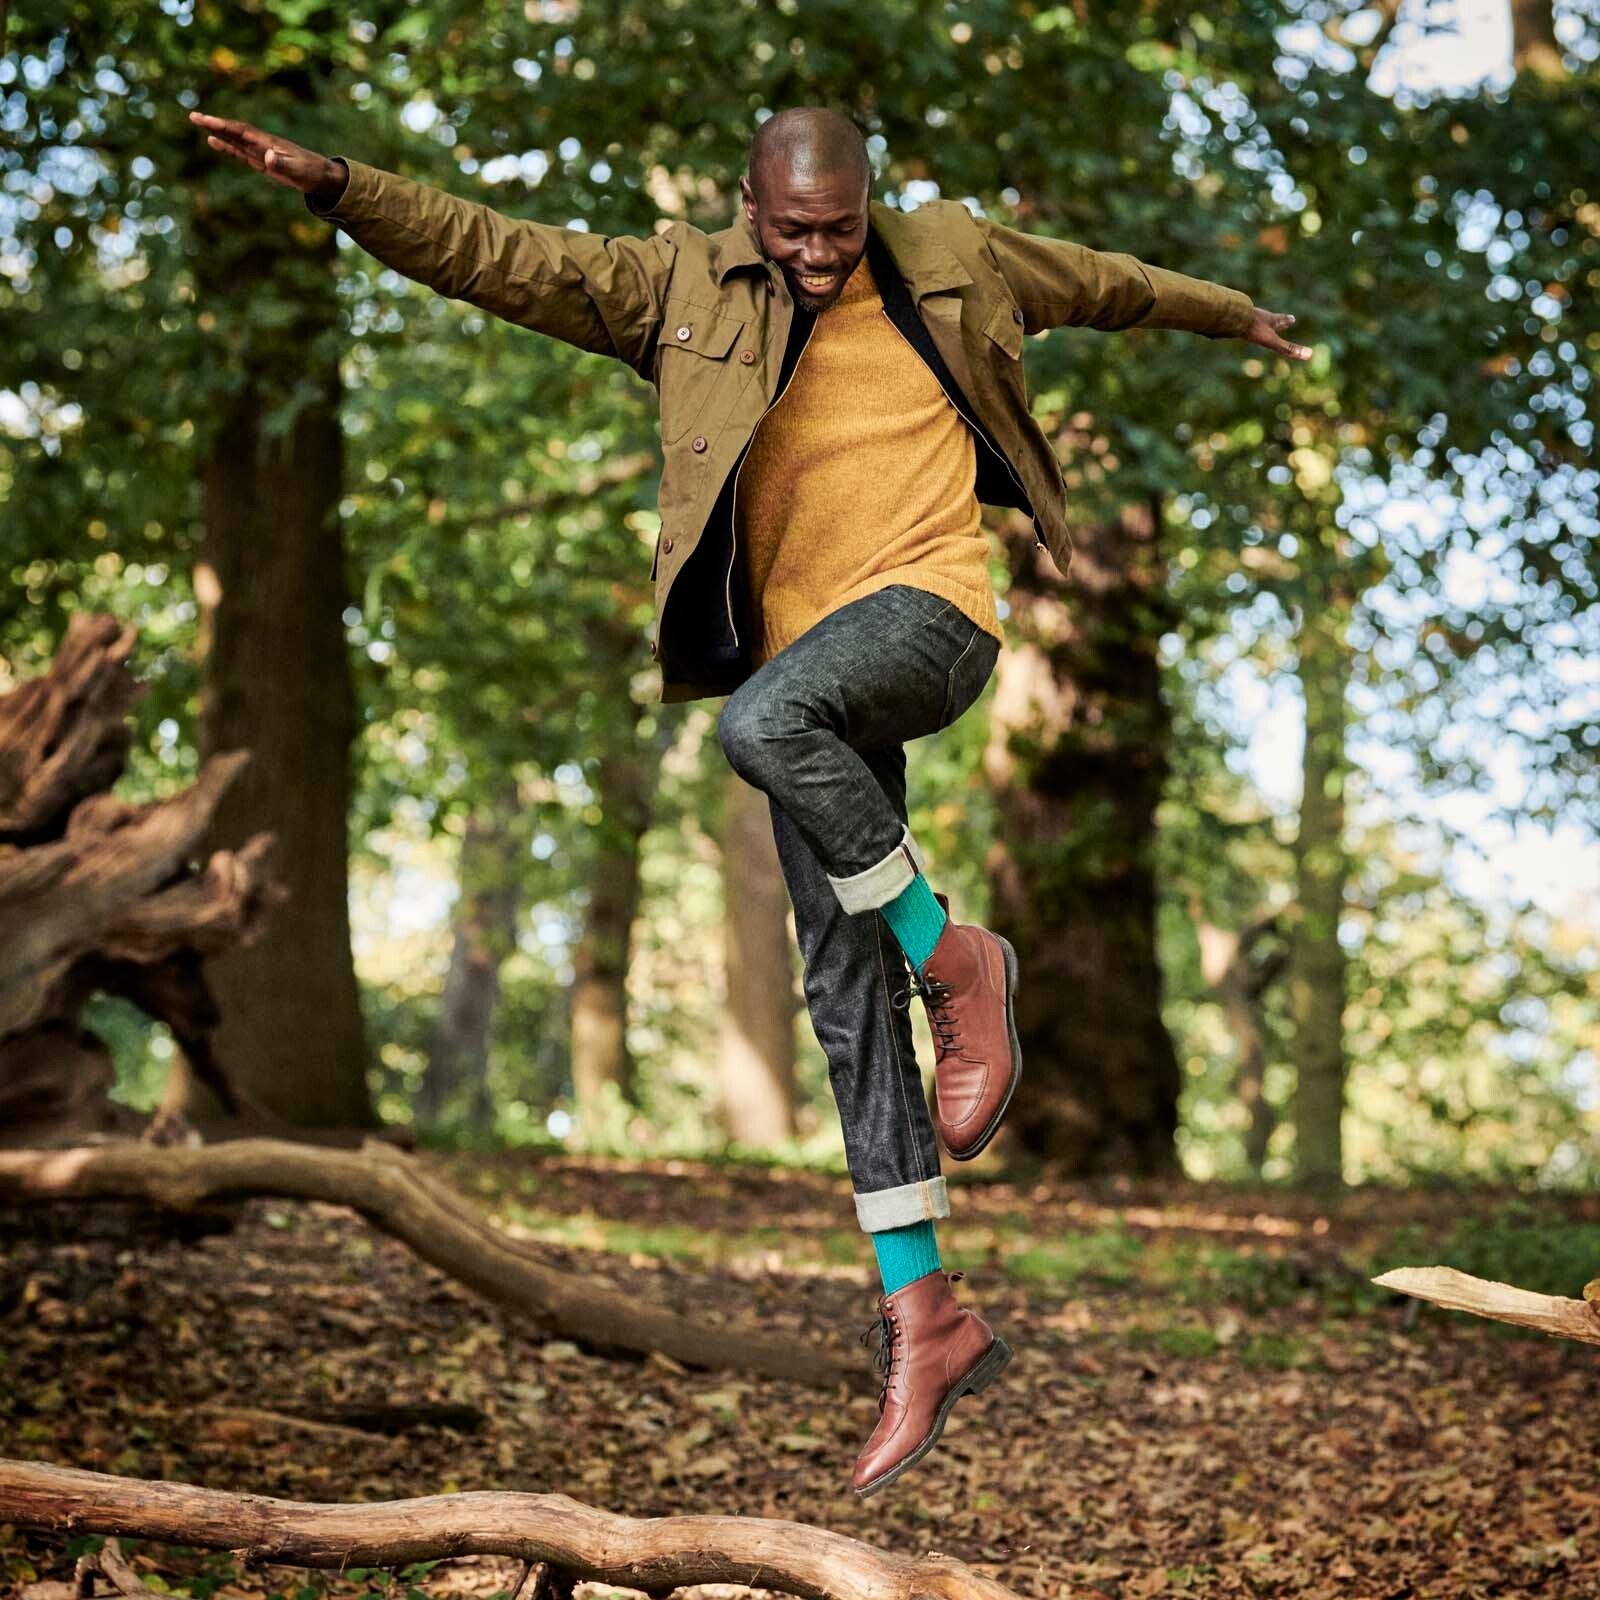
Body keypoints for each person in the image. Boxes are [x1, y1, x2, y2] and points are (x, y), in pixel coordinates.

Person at [191, 103, 1310, 1497]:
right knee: (841, 997)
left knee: (764, 725)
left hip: (928, 617)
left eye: (841, 229)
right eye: (794, 235)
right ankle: (928, 1315)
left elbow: (1113, 281)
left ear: (870, 203)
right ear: (748, 209)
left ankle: (958, 957)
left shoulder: (954, 255)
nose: (822, 257)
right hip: (809, 668)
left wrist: (1237, 312)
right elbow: (497, 253)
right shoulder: (675, 287)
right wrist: (345, 189)